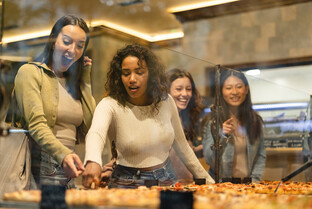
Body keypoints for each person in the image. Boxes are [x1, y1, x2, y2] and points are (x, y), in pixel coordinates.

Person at [82, 44, 214, 188]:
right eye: (126, 73)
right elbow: (96, 133)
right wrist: (92, 160)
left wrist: (209, 182)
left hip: (166, 178)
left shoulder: (166, 101)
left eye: (139, 72)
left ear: (150, 74)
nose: (132, 78)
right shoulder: (110, 104)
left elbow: (183, 148)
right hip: (127, 181)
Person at [14, 15, 96, 188]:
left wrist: (85, 79)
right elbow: (36, 125)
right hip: (37, 164)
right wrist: (63, 154)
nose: (73, 50)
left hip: (68, 166)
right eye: (67, 41)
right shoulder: (30, 72)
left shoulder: (73, 84)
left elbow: (89, 126)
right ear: (53, 41)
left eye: (80, 46)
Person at [201, 68, 266, 183]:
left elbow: (260, 155)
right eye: (228, 88)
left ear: (246, 89)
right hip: (221, 186)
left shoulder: (255, 120)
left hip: (248, 186)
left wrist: (254, 181)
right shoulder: (212, 121)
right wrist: (222, 136)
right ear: (221, 91)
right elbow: (209, 159)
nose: (234, 92)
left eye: (239, 87)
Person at [167, 68, 205, 182]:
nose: (185, 94)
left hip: (186, 184)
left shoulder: (185, 117)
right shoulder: (160, 120)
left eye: (188, 89)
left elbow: (184, 153)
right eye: (178, 89)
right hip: (166, 187)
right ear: (166, 91)